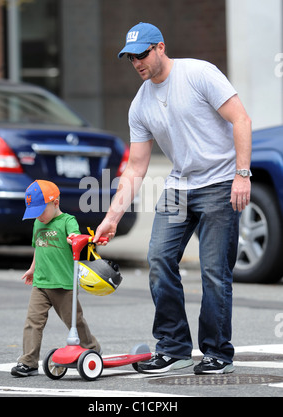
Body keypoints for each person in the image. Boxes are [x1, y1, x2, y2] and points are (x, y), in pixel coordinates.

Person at [93, 22, 252, 374]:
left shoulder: (199, 74)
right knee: (159, 259)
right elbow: (135, 168)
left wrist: (242, 174)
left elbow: (240, 119)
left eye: (143, 54)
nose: (137, 62)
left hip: (221, 182)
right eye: (131, 57)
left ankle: (216, 353)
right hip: (180, 187)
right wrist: (112, 218)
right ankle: (174, 347)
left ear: (160, 47)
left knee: (214, 272)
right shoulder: (140, 105)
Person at [11, 180, 100, 377]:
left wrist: (74, 238)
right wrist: (32, 269)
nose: (38, 217)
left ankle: (91, 348)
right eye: (34, 213)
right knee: (33, 322)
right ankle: (29, 361)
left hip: (63, 284)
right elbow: (38, 248)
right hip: (41, 283)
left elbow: (75, 236)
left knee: (74, 321)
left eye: (41, 211)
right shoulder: (37, 223)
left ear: (56, 203)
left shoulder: (67, 221)